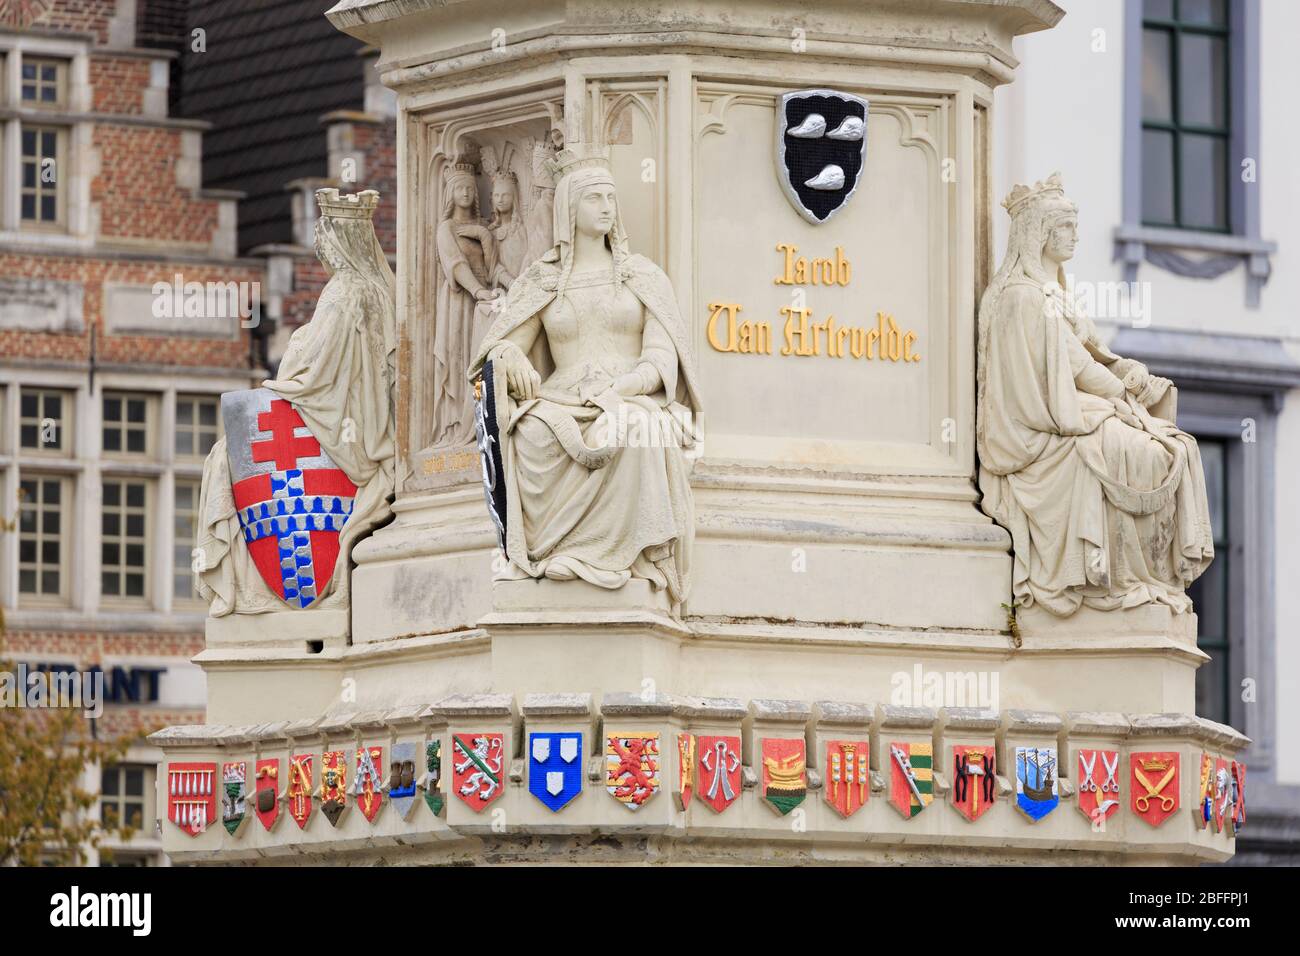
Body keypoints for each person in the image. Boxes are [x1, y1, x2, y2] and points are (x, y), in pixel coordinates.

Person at [467, 145, 703, 609]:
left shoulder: (643, 277)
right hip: (561, 399)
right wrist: (506, 354)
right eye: (594, 198)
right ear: (568, 208)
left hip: (627, 394)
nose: (606, 208)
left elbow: (662, 358)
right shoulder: (544, 281)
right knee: (530, 432)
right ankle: (555, 552)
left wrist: (625, 387)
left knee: (637, 428)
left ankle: (632, 557)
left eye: (611, 198)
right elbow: (500, 345)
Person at [977, 173, 1213, 617]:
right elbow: (1077, 370)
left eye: (1073, 225)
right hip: (1038, 428)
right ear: (1040, 234)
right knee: (1146, 450)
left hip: (1069, 405)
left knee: (1174, 445)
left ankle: (1142, 578)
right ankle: (1120, 578)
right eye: (1065, 227)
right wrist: (1130, 390)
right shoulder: (1025, 298)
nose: (1075, 235)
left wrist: (1128, 375)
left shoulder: (1056, 295)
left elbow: (1090, 356)